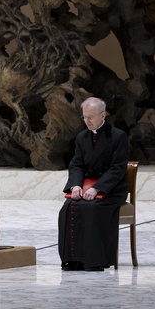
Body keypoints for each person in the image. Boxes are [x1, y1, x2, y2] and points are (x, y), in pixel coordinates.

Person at [58, 97, 129, 272]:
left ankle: (95, 261)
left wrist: (97, 188)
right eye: (84, 117)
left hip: (111, 189)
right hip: (87, 188)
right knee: (69, 206)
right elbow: (77, 164)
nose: (87, 121)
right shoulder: (82, 137)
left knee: (92, 208)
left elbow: (117, 168)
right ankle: (73, 260)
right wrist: (75, 186)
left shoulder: (118, 136)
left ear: (103, 115)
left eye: (90, 117)